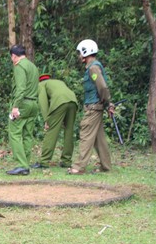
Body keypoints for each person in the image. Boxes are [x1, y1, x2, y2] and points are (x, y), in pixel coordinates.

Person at [68, 39, 114, 175]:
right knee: (99, 139)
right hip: (96, 107)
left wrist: (107, 103)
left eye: (80, 53)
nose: (79, 56)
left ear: (85, 52)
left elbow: (102, 87)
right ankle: (106, 166)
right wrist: (106, 104)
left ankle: (79, 167)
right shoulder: (93, 67)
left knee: (86, 135)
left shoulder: (93, 67)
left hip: (93, 108)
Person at [31, 74, 78, 169]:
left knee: (52, 131)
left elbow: (43, 102)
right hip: (73, 101)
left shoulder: (41, 85)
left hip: (59, 101)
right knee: (69, 131)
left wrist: (46, 120)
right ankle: (66, 161)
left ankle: (44, 161)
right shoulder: (59, 82)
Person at [6, 45, 39, 176]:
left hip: (23, 103)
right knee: (27, 134)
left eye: (11, 57)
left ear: (14, 56)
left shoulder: (19, 66)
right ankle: (26, 162)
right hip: (33, 103)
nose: (11, 60)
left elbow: (20, 88)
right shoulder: (33, 66)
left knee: (14, 133)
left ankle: (22, 165)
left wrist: (15, 106)